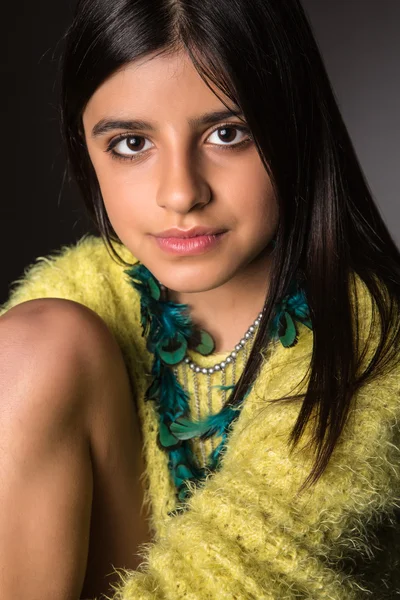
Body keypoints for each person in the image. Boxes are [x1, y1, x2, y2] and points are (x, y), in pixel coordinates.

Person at [1, 0, 400, 598]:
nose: (181, 192)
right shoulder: (75, 299)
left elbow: (235, 582)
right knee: (37, 343)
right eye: (132, 143)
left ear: (296, 130)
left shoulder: (368, 335)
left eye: (228, 134)